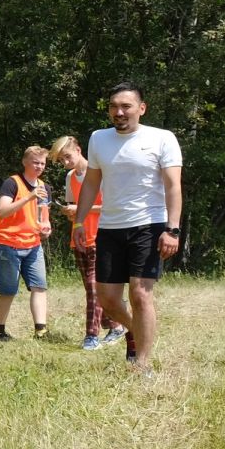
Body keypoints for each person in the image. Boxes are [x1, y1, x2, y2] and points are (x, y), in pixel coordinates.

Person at [76, 83, 183, 374]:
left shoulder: (162, 138)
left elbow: (173, 186)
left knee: (140, 294)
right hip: (110, 227)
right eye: (114, 106)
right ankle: (135, 330)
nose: (119, 112)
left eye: (126, 106)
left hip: (149, 225)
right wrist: (78, 221)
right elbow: (91, 183)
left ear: (141, 108)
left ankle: (142, 364)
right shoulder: (98, 139)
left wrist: (172, 230)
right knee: (108, 299)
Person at [50, 134, 125, 352]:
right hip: (80, 238)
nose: (65, 163)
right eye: (61, 160)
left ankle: (91, 336)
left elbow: (110, 207)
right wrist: (69, 213)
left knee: (94, 289)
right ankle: (116, 326)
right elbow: (75, 209)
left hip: (102, 237)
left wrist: (82, 210)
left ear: (79, 150)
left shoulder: (100, 175)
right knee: (92, 290)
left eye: (67, 157)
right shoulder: (70, 177)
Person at [0, 145, 53, 340]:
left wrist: (46, 228)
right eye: (35, 162)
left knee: (39, 287)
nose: (39, 166)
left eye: (42, 163)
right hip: (7, 244)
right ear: (25, 162)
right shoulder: (12, 183)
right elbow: (3, 211)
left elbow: (44, 217)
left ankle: (40, 330)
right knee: (8, 291)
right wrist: (29, 197)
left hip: (33, 245)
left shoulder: (45, 187)